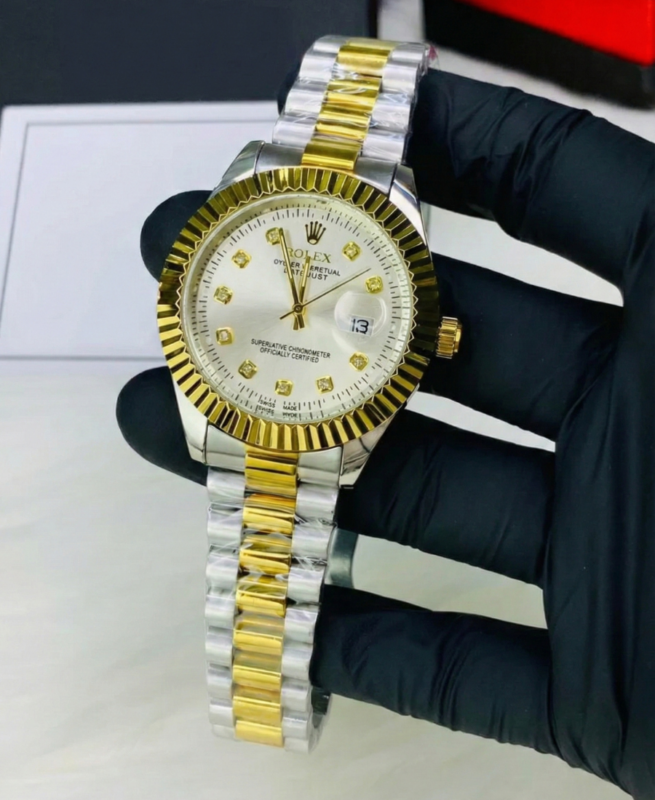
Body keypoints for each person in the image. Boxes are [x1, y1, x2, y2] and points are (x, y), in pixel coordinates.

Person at [117, 68, 655, 798]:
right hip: (252, 389)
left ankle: (272, 670)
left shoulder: (407, 324)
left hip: (314, 394)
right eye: (291, 306)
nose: (298, 314)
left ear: (430, 334)